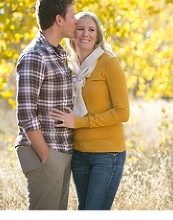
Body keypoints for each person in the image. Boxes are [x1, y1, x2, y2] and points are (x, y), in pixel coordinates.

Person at [50, 11, 129, 211]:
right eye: (80, 29)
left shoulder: (109, 62)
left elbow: (122, 112)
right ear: (72, 34)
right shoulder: (68, 66)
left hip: (106, 154)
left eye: (91, 30)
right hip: (78, 153)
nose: (86, 34)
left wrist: (79, 122)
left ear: (97, 36)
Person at [15, 0, 78, 210]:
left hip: (60, 151)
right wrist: (46, 155)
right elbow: (25, 113)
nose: (76, 21)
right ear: (59, 19)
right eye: (73, 16)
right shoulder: (35, 55)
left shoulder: (58, 53)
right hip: (44, 152)